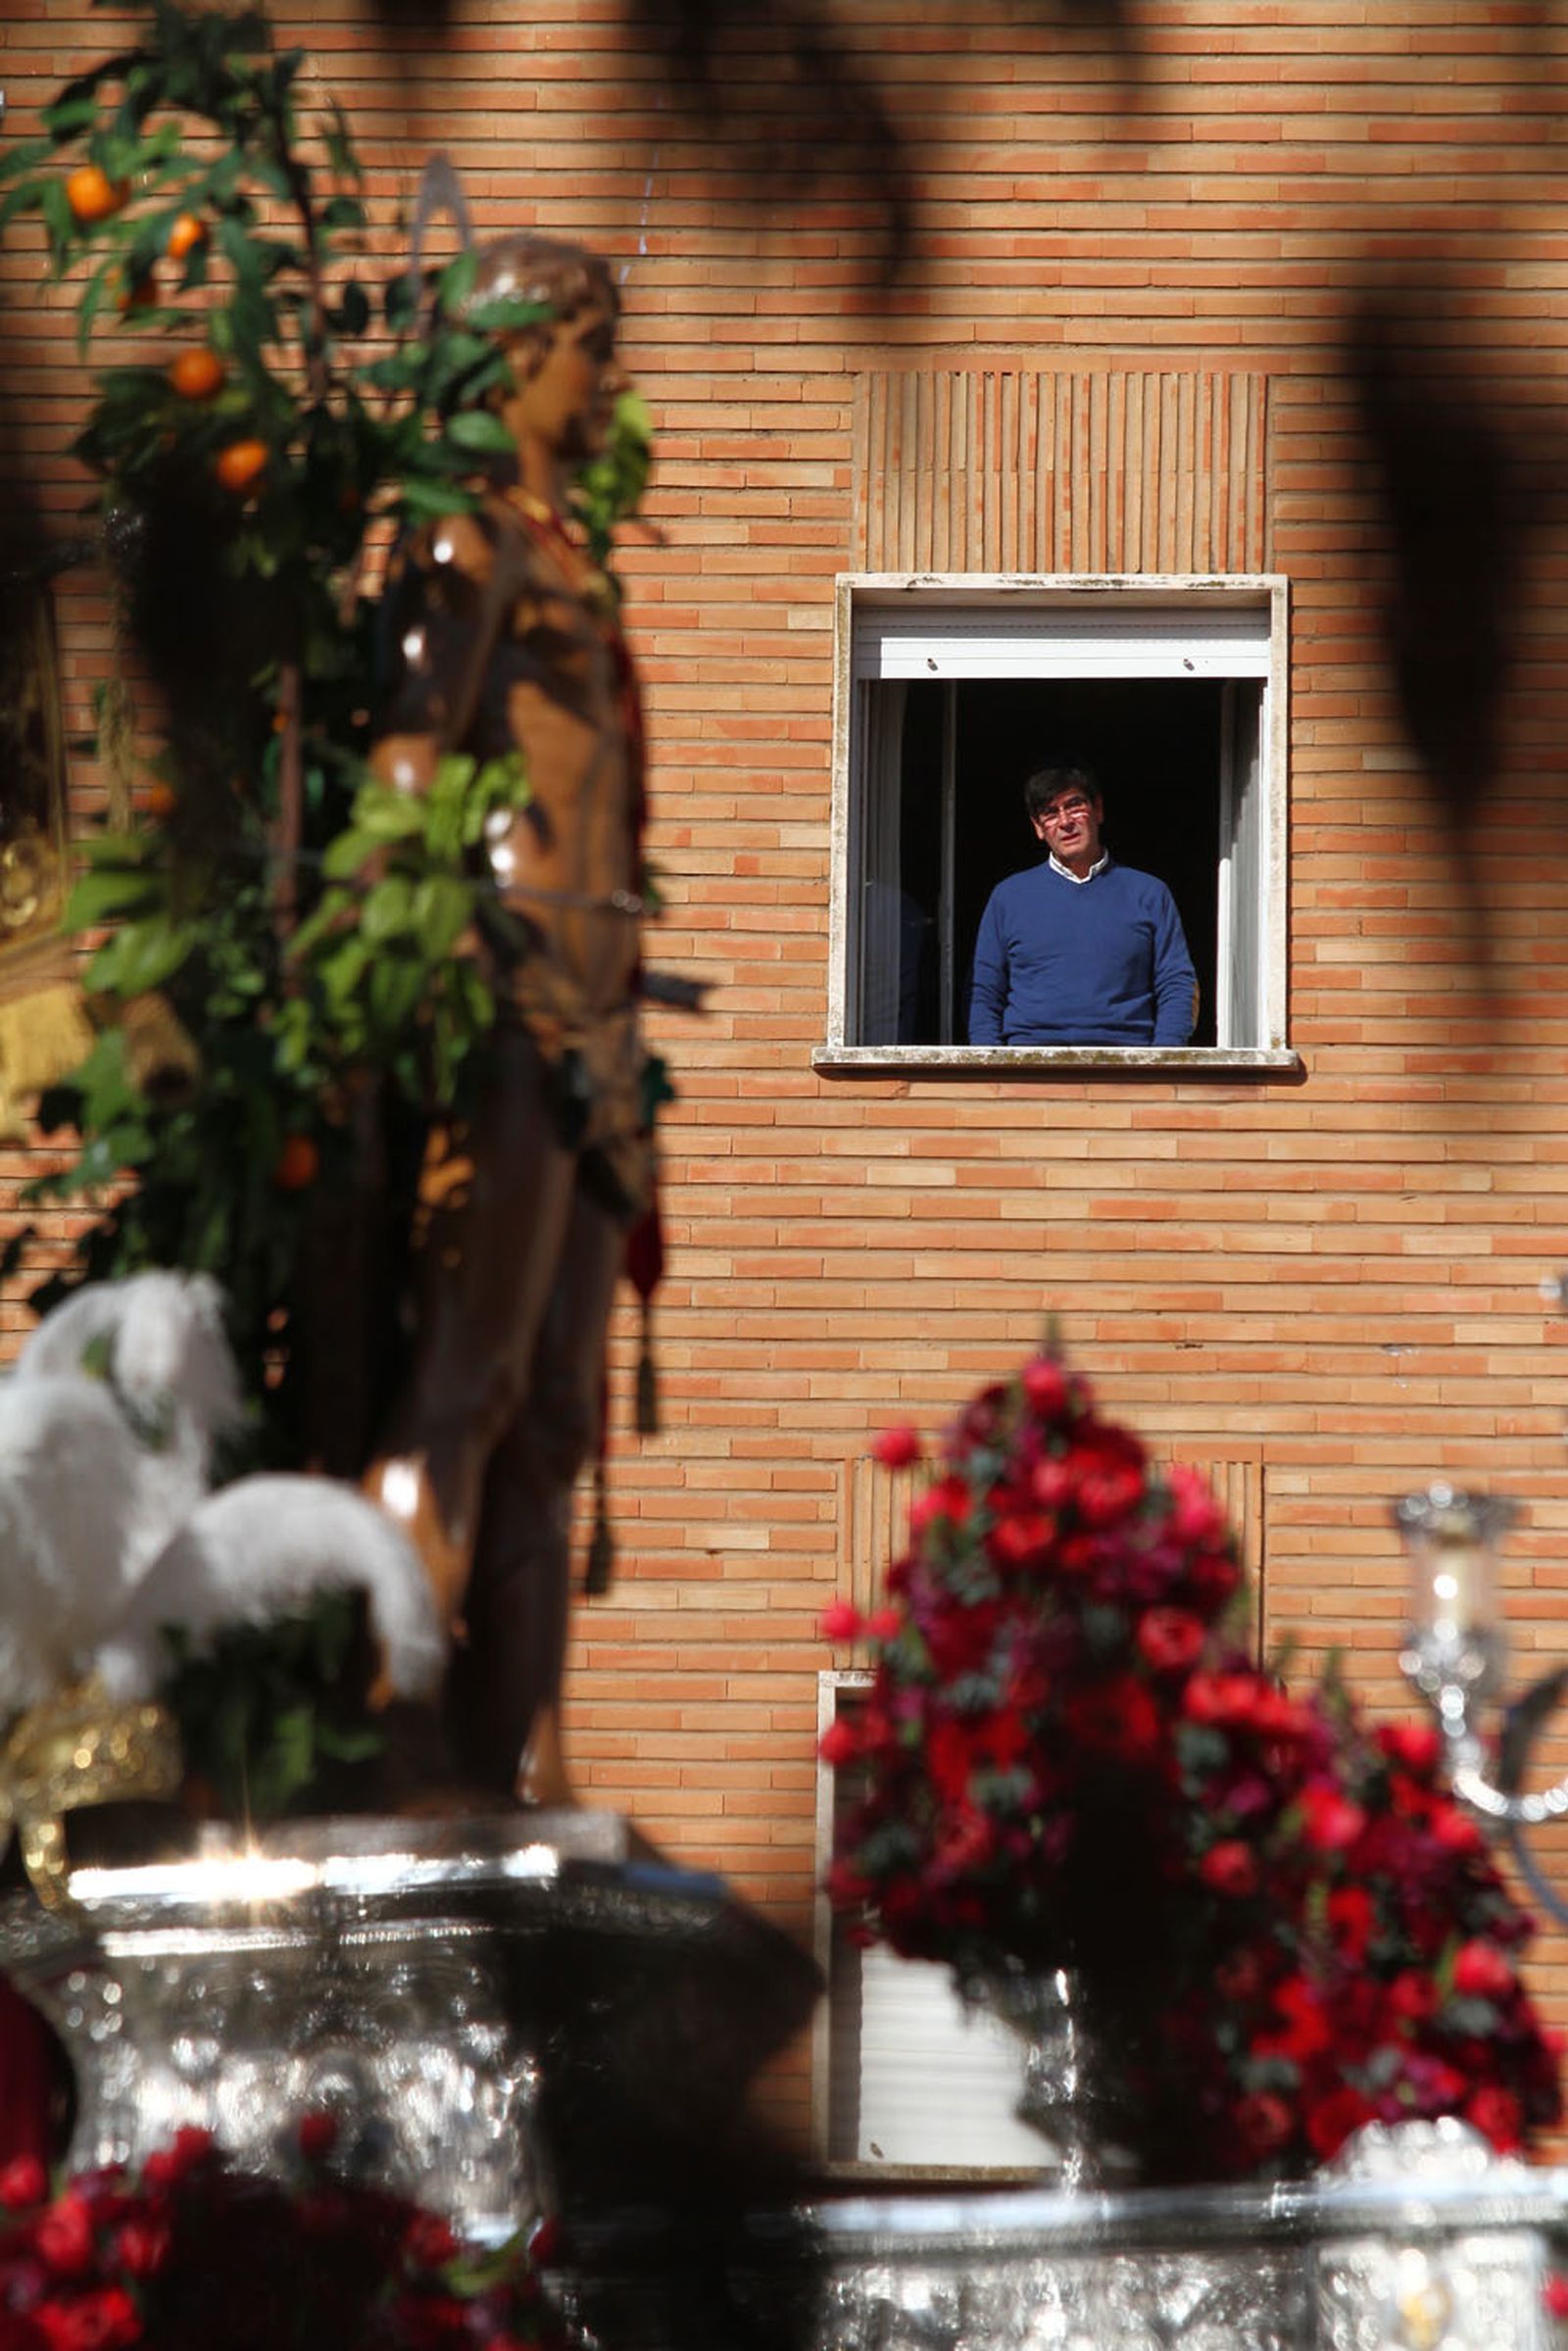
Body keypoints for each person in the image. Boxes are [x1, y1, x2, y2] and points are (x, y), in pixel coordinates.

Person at [362, 231, 651, 1802]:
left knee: (553, 1415)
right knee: (466, 1384)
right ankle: (398, 1716)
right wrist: (403, 953)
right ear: (518, 353)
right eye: (592, 347)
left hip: (600, 1022)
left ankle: (526, 1756)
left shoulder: (569, 557)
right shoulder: (466, 538)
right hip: (510, 995)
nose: (610, 379)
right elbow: (414, 750)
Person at [966, 763, 1198, 1047]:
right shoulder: (1008, 897)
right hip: (1030, 1061)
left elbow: (1177, 984)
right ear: (1038, 828)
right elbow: (984, 993)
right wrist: (992, 1065)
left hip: (1127, 1060)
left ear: (1098, 810)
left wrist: (1163, 1059)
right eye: (1050, 813)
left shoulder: (1149, 894)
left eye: (1074, 806)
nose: (1065, 821)